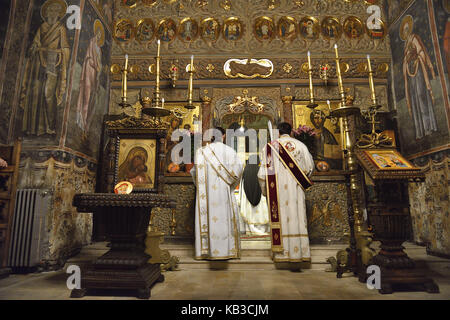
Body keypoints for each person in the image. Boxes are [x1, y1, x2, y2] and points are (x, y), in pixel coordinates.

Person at [257, 122, 315, 268]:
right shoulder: (301, 145)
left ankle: (282, 254)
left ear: (277, 132)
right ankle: (300, 254)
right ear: (292, 132)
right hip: (296, 189)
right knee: (298, 218)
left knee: (282, 219)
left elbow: (263, 174)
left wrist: (265, 191)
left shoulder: (269, 147)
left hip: (278, 191)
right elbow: (309, 168)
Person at [190, 127, 244, 260]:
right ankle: (226, 251)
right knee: (224, 220)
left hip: (206, 196)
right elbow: (238, 172)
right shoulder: (230, 151)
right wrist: (229, 186)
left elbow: (193, 173)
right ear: (224, 136)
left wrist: (203, 187)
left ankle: (206, 251)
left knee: (208, 219)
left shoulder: (201, 152)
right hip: (224, 194)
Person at [20, 0, 70, 136]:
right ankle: (34, 128)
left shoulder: (60, 28)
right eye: (51, 10)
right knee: (35, 91)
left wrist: (60, 53)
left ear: (59, 14)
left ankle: (50, 126)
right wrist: (35, 48)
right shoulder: (41, 27)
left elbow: (65, 48)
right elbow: (35, 44)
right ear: (47, 12)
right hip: (38, 61)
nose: (53, 13)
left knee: (48, 93)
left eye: (56, 11)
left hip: (53, 62)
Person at [238, 155, 269, 235]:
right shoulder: (260, 170)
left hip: (247, 198)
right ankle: (262, 229)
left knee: (249, 212)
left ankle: (249, 229)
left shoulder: (245, 170)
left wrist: (240, 198)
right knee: (260, 211)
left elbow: (241, 185)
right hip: (260, 196)